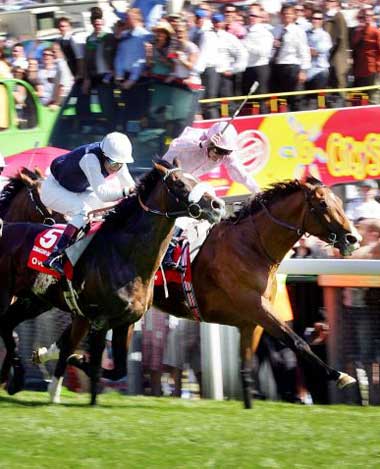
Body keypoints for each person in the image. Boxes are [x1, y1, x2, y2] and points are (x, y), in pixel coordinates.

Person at [40, 132, 136, 275]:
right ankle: (56, 255)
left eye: (119, 165)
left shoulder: (117, 160)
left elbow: (131, 186)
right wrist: (126, 191)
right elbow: (103, 194)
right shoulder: (90, 159)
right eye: (112, 163)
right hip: (53, 190)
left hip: (77, 189)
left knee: (104, 209)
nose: (115, 168)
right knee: (83, 211)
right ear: (104, 154)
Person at [162, 121, 259, 194]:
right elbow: (175, 144)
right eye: (219, 151)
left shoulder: (226, 155)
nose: (220, 157)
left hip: (183, 183)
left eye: (226, 152)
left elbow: (242, 175)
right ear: (210, 144)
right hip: (164, 175)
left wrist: (257, 192)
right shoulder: (196, 136)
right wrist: (201, 144)